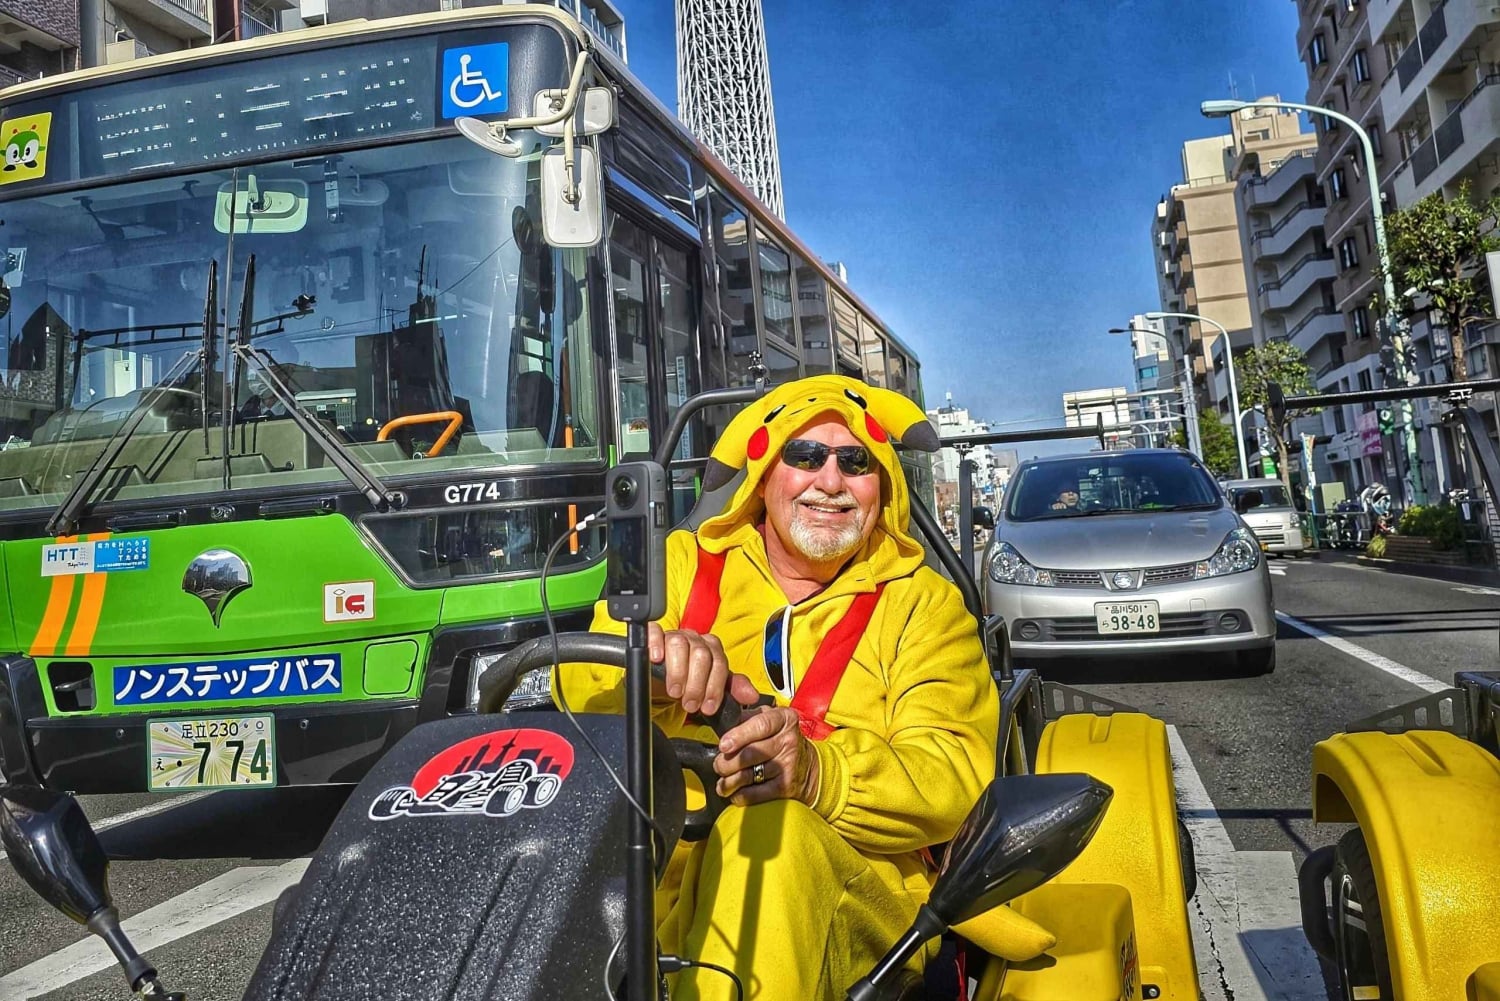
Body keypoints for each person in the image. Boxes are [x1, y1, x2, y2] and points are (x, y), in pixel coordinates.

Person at [558, 376, 1022, 999]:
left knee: (769, 834)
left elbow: (955, 776)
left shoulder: (925, 604)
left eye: (855, 462)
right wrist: (656, 669)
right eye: (804, 455)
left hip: (856, 895)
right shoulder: (680, 563)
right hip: (646, 885)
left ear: (883, 486)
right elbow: (579, 690)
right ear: (762, 475)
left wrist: (817, 776)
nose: (830, 481)